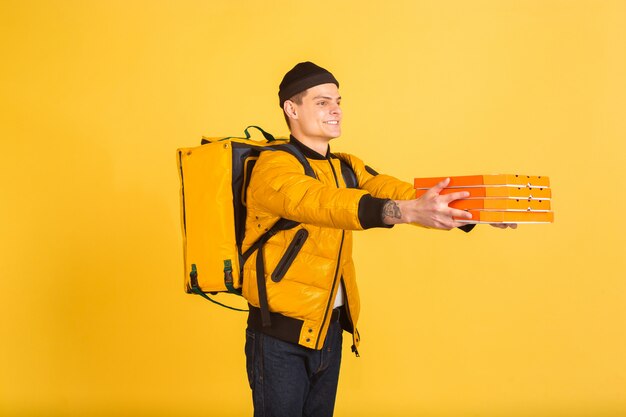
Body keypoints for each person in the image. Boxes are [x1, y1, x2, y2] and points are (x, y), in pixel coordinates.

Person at [241, 61, 515, 417]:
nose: (336, 109)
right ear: (291, 109)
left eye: (338, 100)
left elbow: (398, 190)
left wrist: (474, 210)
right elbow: (322, 202)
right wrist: (406, 213)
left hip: (329, 330)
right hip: (280, 337)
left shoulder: (346, 165)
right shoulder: (273, 166)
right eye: (322, 102)